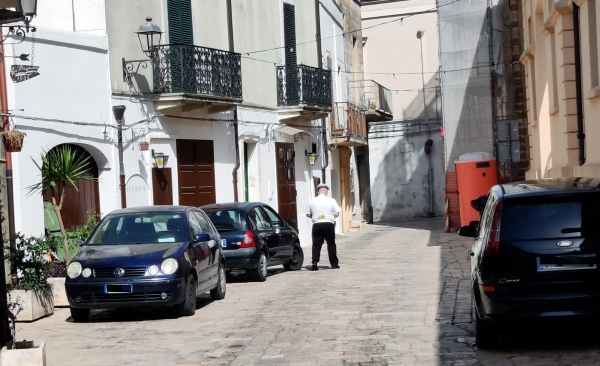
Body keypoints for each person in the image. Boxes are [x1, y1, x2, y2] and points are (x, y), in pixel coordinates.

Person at [306, 183, 341, 271]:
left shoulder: (312, 201)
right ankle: (334, 264)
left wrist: (316, 217)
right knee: (331, 244)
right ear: (326, 191)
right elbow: (337, 213)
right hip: (328, 224)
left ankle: (315, 262)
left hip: (317, 224)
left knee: (316, 244)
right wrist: (330, 217)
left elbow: (308, 214)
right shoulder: (332, 200)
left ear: (318, 191)